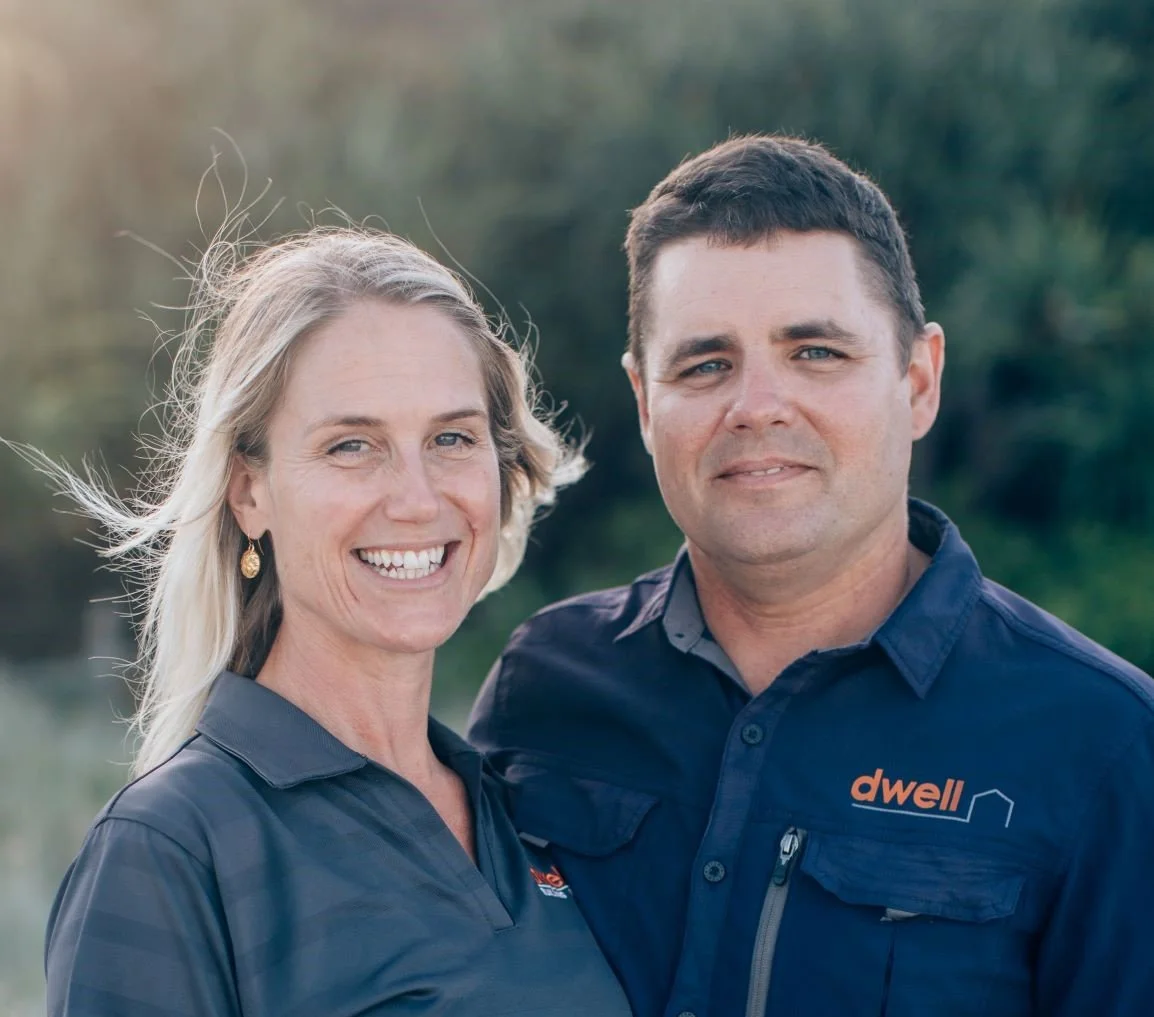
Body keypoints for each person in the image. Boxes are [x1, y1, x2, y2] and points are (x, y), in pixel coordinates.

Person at [468, 135, 1154, 1017]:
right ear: (645, 403)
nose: (756, 406)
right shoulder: (545, 689)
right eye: (705, 363)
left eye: (816, 353)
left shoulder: (1105, 748)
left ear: (918, 379)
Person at [30, 226, 632, 1016]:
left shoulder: (528, 808)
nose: (417, 498)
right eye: (353, 445)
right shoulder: (170, 851)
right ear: (250, 492)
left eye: (451, 437)